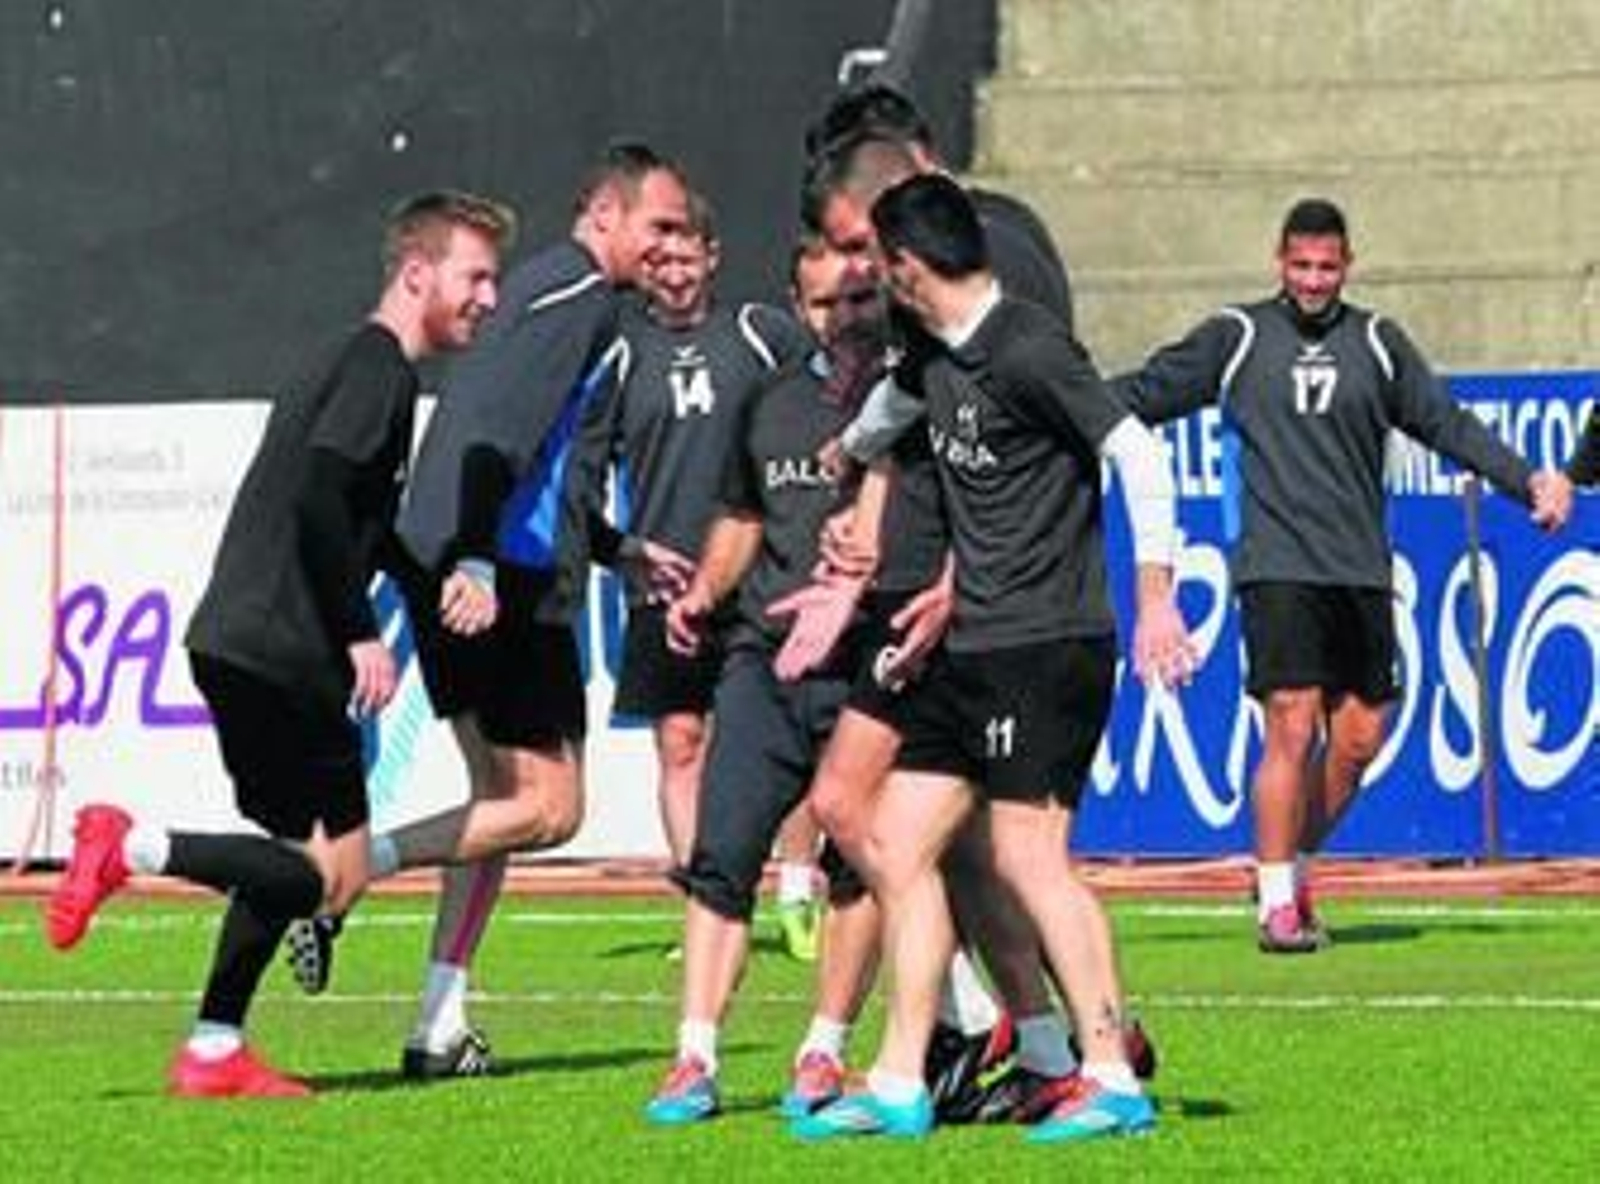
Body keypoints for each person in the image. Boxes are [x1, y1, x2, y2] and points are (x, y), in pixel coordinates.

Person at [43, 190, 512, 1097]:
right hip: (283, 651)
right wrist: (359, 631)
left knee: (292, 862)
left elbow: (364, 526)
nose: (488, 297)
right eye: (476, 276)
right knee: (326, 880)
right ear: (418, 273)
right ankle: (132, 846)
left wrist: (428, 590)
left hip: (240, 644)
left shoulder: (354, 364)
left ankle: (215, 1046)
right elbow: (317, 502)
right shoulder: (378, 367)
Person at [795, 174, 1191, 1144]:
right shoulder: (932, 350)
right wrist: (845, 455)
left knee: (1024, 854)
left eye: (874, 263)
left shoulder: (1028, 348)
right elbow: (891, 408)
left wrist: (1153, 598)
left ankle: (1110, 1071)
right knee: (896, 839)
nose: (868, 278)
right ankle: (897, 1082)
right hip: (974, 649)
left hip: (1047, 643)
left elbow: (1138, 455)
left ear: (904, 268)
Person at [306, 143, 690, 1078]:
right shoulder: (583, 301)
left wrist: (614, 547)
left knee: (503, 806)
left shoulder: (554, 294)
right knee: (548, 808)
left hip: (472, 561)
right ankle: (338, 874)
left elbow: (528, 453)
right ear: (604, 215)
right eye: (660, 226)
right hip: (494, 576)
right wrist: (478, 555)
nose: (672, 248)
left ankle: (438, 1023)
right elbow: (492, 434)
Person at [1110, 197, 1571, 952]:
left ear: (1348, 265)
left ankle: (1285, 862)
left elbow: (1445, 422)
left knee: (1358, 739)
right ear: (1279, 262)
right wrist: (1049, 413)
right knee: (1290, 721)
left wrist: (1527, 482)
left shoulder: (1379, 342)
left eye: (1327, 267)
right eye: (1301, 266)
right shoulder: (1238, 336)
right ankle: (1279, 905)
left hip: (1359, 570)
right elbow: (1140, 396)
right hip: (1276, 567)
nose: (1314, 281)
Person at [642, 237, 890, 1125]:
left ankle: (824, 1050)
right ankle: (693, 1060)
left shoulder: (911, 400)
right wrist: (706, 590)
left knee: (860, 870)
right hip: (763, 664)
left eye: (859, 302)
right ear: (796, 303)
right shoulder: (769, 400)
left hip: (871, 665)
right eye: (824, 306)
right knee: (720, 864)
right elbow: (743, 515)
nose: (844, 321)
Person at [592, 191, 815, 952]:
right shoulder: (620, 354)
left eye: (688, 256)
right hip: (665, 581)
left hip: (761, 569)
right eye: (659, 259)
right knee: (681, 741)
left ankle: (795, 890)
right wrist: (620, 548)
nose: (675, 272)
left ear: (713, 257)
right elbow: (582, 467)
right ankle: (707, 897)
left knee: (781, 731)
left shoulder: (759, 333)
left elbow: (820, 406)